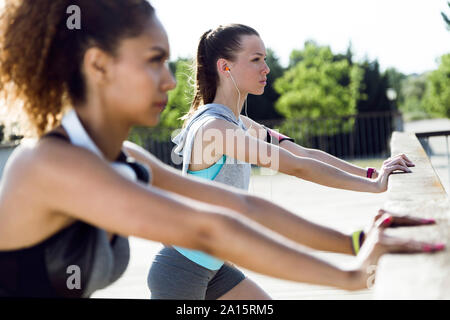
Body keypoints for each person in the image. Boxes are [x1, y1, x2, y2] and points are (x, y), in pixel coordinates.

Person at [0, 1, 443, 299]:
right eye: (155, 61)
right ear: (98, 65)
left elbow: (244, 205)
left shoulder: (127, 157)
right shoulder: (49, 165)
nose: (171, 82)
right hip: (184, 277)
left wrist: (357, 241)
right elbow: (207, 230)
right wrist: (349, 275)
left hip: (212, 272)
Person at [143, 24, 440, 300]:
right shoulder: (215, 129)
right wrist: (372, 186)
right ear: (225, 67)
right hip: (182, 272)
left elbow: (303, 154)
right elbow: (295, 167)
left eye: (265, 59)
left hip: (214, 265)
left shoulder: (239, 123)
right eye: (256, 59)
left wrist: (373, 173)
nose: (266, 68)